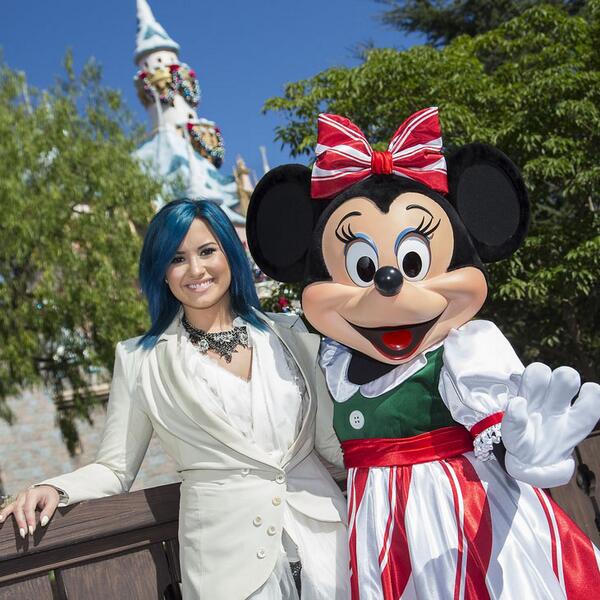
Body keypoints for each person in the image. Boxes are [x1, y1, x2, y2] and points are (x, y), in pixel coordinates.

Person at [0, 199, 349, 600]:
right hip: (228, 565)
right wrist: (54, 488)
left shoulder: (292, 333)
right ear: (162, 273)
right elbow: (115, 469)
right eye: (177, 259)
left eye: (207, 251)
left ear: (230, 254)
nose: (196, 270)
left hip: (326, 541)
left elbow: (332, 442)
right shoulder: (139, 360)